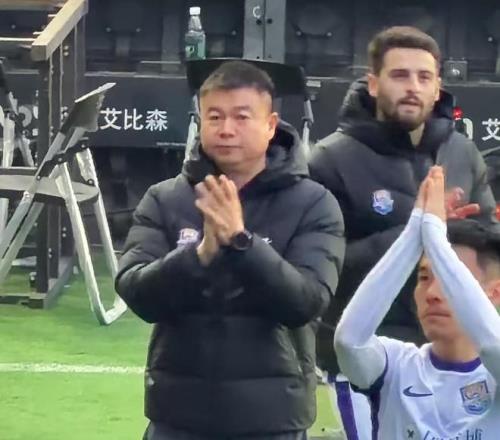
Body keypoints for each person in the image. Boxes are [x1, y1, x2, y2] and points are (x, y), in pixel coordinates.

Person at [115, 60, 345, 440]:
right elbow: (137, 293)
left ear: (270, 125)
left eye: (241, 117)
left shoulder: (314, 203)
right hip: (177, 415)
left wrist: (242, 244)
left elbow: (306, 302)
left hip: (272, 418)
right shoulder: (165, 198)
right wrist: (199, 256)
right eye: (215, 117)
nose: (226, 129)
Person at [308, 26, 499, 438]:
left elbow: (488, 243)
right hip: (374, 356)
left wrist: (450, 230)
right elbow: (324, 266)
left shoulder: (462, 152)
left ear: (437, 87)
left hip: (457, 353)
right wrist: (412, 232)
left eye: (424, 77)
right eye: (399, 75)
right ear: (373, 84)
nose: (413, 87)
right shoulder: (330, 159)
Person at [334, 165, 500, 439]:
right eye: (423, 277)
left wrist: (434, 235)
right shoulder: (396, 365)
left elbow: (494, 345)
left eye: (449, 277)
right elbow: (348, 341)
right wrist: (415, 230)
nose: (432, 293)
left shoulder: (492, 375)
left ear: (494, 292)